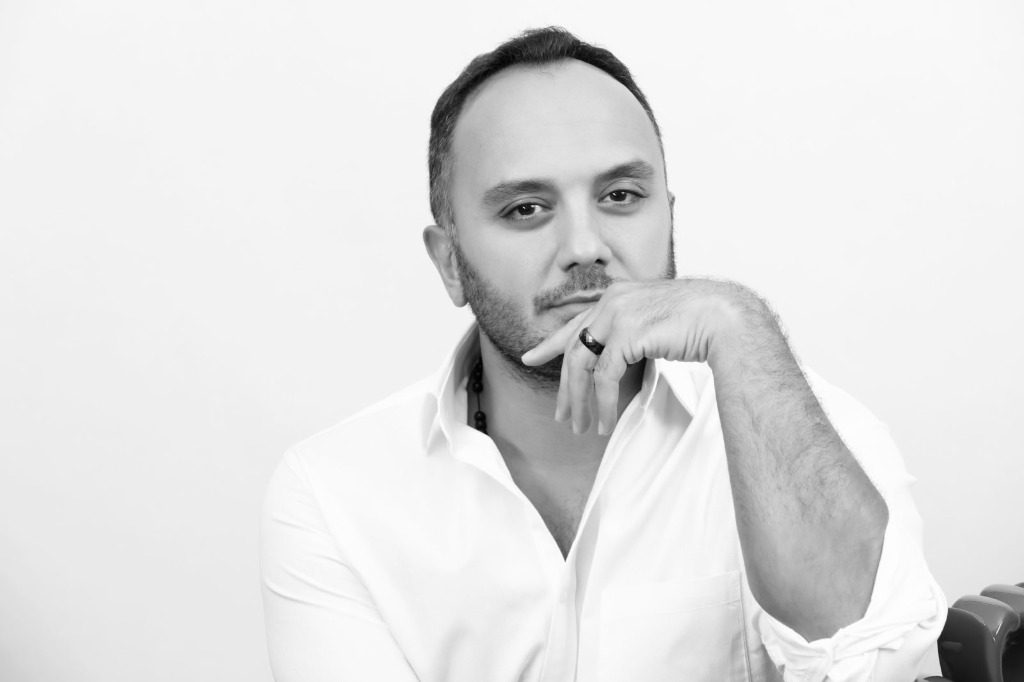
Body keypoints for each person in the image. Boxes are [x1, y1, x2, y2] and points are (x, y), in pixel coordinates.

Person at [260, 26, 946, 681]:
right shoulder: (336, 497)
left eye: (621, 196)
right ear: (450, 264)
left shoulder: (815, 436)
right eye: (526, 208)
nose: (585, 246)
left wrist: (740, 324)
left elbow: (875, 666)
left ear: (668, 217)